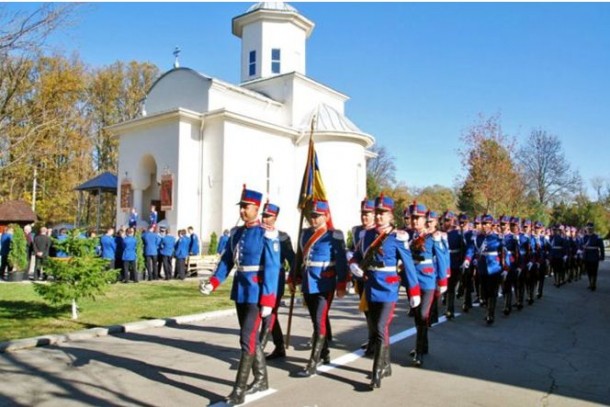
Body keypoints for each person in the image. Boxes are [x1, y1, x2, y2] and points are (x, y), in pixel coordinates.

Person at [200, 186, 280, 405]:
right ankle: (261, 379)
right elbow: (227, 261)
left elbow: (272, 268)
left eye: (247, 207)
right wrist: (213, 282)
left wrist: (268, 300)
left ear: (257, 208)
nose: (243, 211)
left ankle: (239, 390)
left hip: (257, 292)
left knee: (246, 339)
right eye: (241, 207)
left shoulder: (267, 232)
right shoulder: (236, 233)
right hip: (241, 291)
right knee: (250, 338)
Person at [350, 195, 419, 389]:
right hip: (371, 286)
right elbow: (356, 256)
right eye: (377, 213)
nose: (379, 217)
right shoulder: (367, 236)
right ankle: (386, 364)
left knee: (380, 327)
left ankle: (376, 372)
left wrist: (414, 291)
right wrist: (353, 265)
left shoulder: (398, 237)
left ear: (390, 215)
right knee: (376, 328)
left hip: (388, 287)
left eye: (383, 213)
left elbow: (408, 265)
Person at [291, 199, 348, 378]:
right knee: (315, 320)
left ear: (326, 216)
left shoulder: (334, 235)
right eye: (312, 216)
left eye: (317, 216)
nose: (313, 219)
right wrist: (293, 277)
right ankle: (325, 353)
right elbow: (299, 258)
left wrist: (341, 284)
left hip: (325, 282)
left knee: (319, 321)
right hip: (308, 281)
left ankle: (313, 362)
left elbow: (341, 262)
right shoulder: (304, 234)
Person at [408, 202, 448, 366]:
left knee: (424, 315)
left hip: (428, 280)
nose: (415, 221)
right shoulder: (407, 236)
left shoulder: (433, 237)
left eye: (418, 218)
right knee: (417, 316)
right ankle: (423, 346)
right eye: (413, 218)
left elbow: (441, 258)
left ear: (425, 219)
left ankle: (419, 352)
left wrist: (443, 280)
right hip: (413, 280)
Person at [259, 201, 295, 360]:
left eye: (268, 216)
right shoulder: (257, 233)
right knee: (266, 312)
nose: (265, 219)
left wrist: (294, 278)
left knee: (270, 311)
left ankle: (259, 347)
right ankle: (279, 346)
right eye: (264, 216)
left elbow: (292, 259)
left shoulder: (282, 237)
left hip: (276, 278)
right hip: (258, 277)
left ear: (275, 218)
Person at [346, 198, 376, 355]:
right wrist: (350, 256)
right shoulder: (356, 230)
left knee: (374, 311)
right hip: (360, 275)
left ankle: (375, 340)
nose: (364, 217)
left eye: (368, 214)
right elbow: (353, 248)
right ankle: (371, 338)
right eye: (363, 214)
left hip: (373, 275)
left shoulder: (379, 231)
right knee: (366, 310)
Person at [464, 214, 504, 325]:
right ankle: (487, 305)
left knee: (492, 291)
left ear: (491, 225)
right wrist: (467, 259)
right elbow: (471, 249)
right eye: (483, 223)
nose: (484, 225)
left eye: (487, 223)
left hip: (494, 267)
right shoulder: (477, 237)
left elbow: (504, 253)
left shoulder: (497, 237)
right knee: (484, 291)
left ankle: (490, 314)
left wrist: (506, 266)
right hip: (482, 266)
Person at [582, 222, 605, 291]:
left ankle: (593, 284)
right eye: (588, 228)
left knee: (594, 271)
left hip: (594, 256)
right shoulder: (585, 237)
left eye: (591, 228)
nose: (589, 230)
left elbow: (601, 247)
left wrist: (602, 256)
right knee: (589, 271)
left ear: (593, 229)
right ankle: (590, 283)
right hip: (587, 256)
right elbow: (582, 245)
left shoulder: (597, 237)